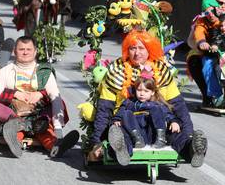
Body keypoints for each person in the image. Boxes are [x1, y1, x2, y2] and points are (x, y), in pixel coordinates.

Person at [89, 29, 208, 168]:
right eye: (133, 48)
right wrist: (97, 142)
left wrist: (187, 133)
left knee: (175, 134)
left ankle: (193, 149)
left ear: (149, 50)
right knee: (121, 136)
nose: (137, 53)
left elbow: (179, 106)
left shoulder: (161, 70)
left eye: (141, 48)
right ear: (128, 50)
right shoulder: (116, 71)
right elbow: (104, 110)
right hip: (127, 124)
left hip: (157, 126)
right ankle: (121, 151)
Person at [0, 36, 79, 158]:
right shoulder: (5, 72)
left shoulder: (44, 72)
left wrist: (58, 127)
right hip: (13, 115)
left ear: (35, 51)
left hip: (39, 116)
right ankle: (16, 140)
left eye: (28, 49)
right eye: (21, 49)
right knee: (1, 110)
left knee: (57, 103)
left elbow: (55, 96)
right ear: (14, 51)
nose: (25, 52)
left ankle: (56, 147)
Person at [110, 68, 180, 165]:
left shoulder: (156, 104)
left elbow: (167, 113)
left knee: (156, 110)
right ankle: (123, 150)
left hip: (151, 133)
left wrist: (173, 121)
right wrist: (117, 119)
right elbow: (120, 111)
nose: (142, 93)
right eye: (139, 90)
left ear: (152, 92)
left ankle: (161, 139)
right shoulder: (129, 103)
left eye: (146, 91)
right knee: (126, 114)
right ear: (135, 90)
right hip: (136, 136)